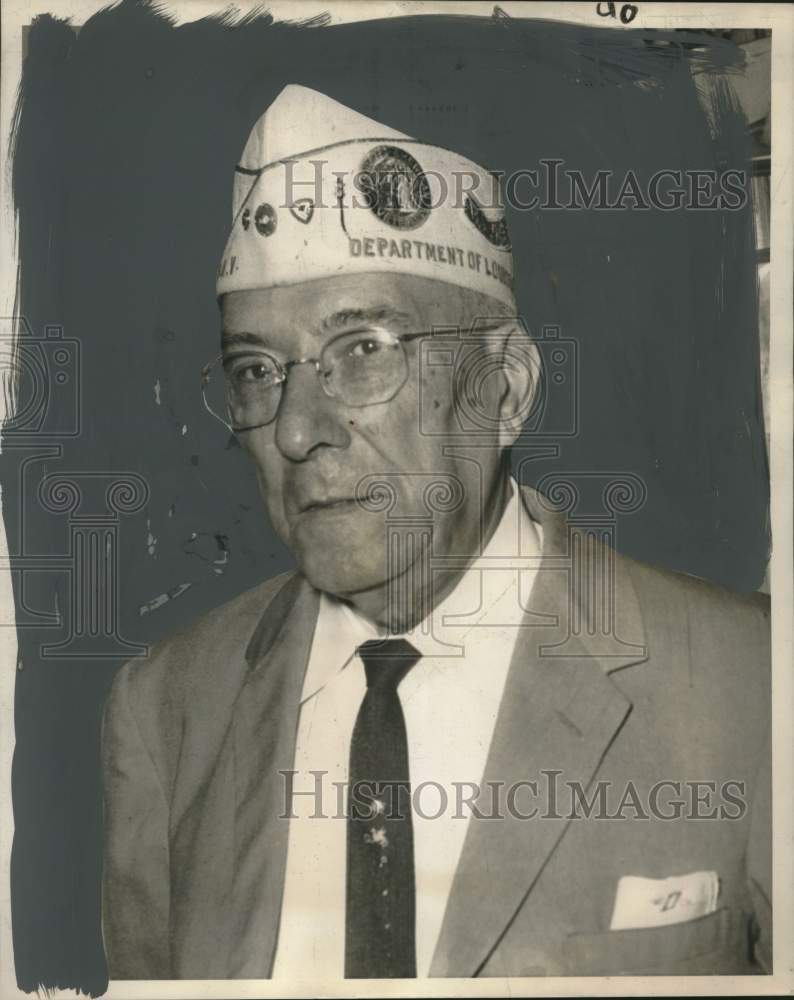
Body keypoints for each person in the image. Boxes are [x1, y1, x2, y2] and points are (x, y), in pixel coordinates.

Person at [101, 85, 771, 980]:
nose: (297, 430)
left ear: (507, 389)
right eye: (256, 370)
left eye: (365, 350)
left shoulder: (750, 685)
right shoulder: (165, 712)